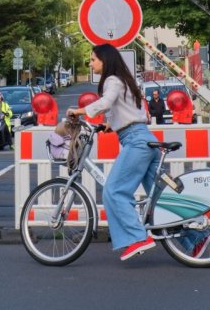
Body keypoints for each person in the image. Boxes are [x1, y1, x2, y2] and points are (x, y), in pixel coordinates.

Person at [68, 44, 172, 261]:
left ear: (104, 61)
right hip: (145, 139)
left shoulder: (112, 80)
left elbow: (106, 102)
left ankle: (137, 238)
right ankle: (196, 241)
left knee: (114, 191)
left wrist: (80, 111)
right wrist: (110, 124)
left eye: (93, 59)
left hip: (135, 142)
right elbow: (126, 110)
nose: (90, 63)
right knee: (162, 201)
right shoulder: (125, 81)